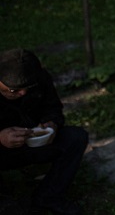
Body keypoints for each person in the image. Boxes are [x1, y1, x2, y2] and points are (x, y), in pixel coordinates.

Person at [0, 48, 89, 215]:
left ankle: (48, 196)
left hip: (33, 143)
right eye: (14, 90)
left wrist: (53, 124)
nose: (23, 93)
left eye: (27, 88)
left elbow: (54, 108)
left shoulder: (39, 78)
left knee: (76, 137)